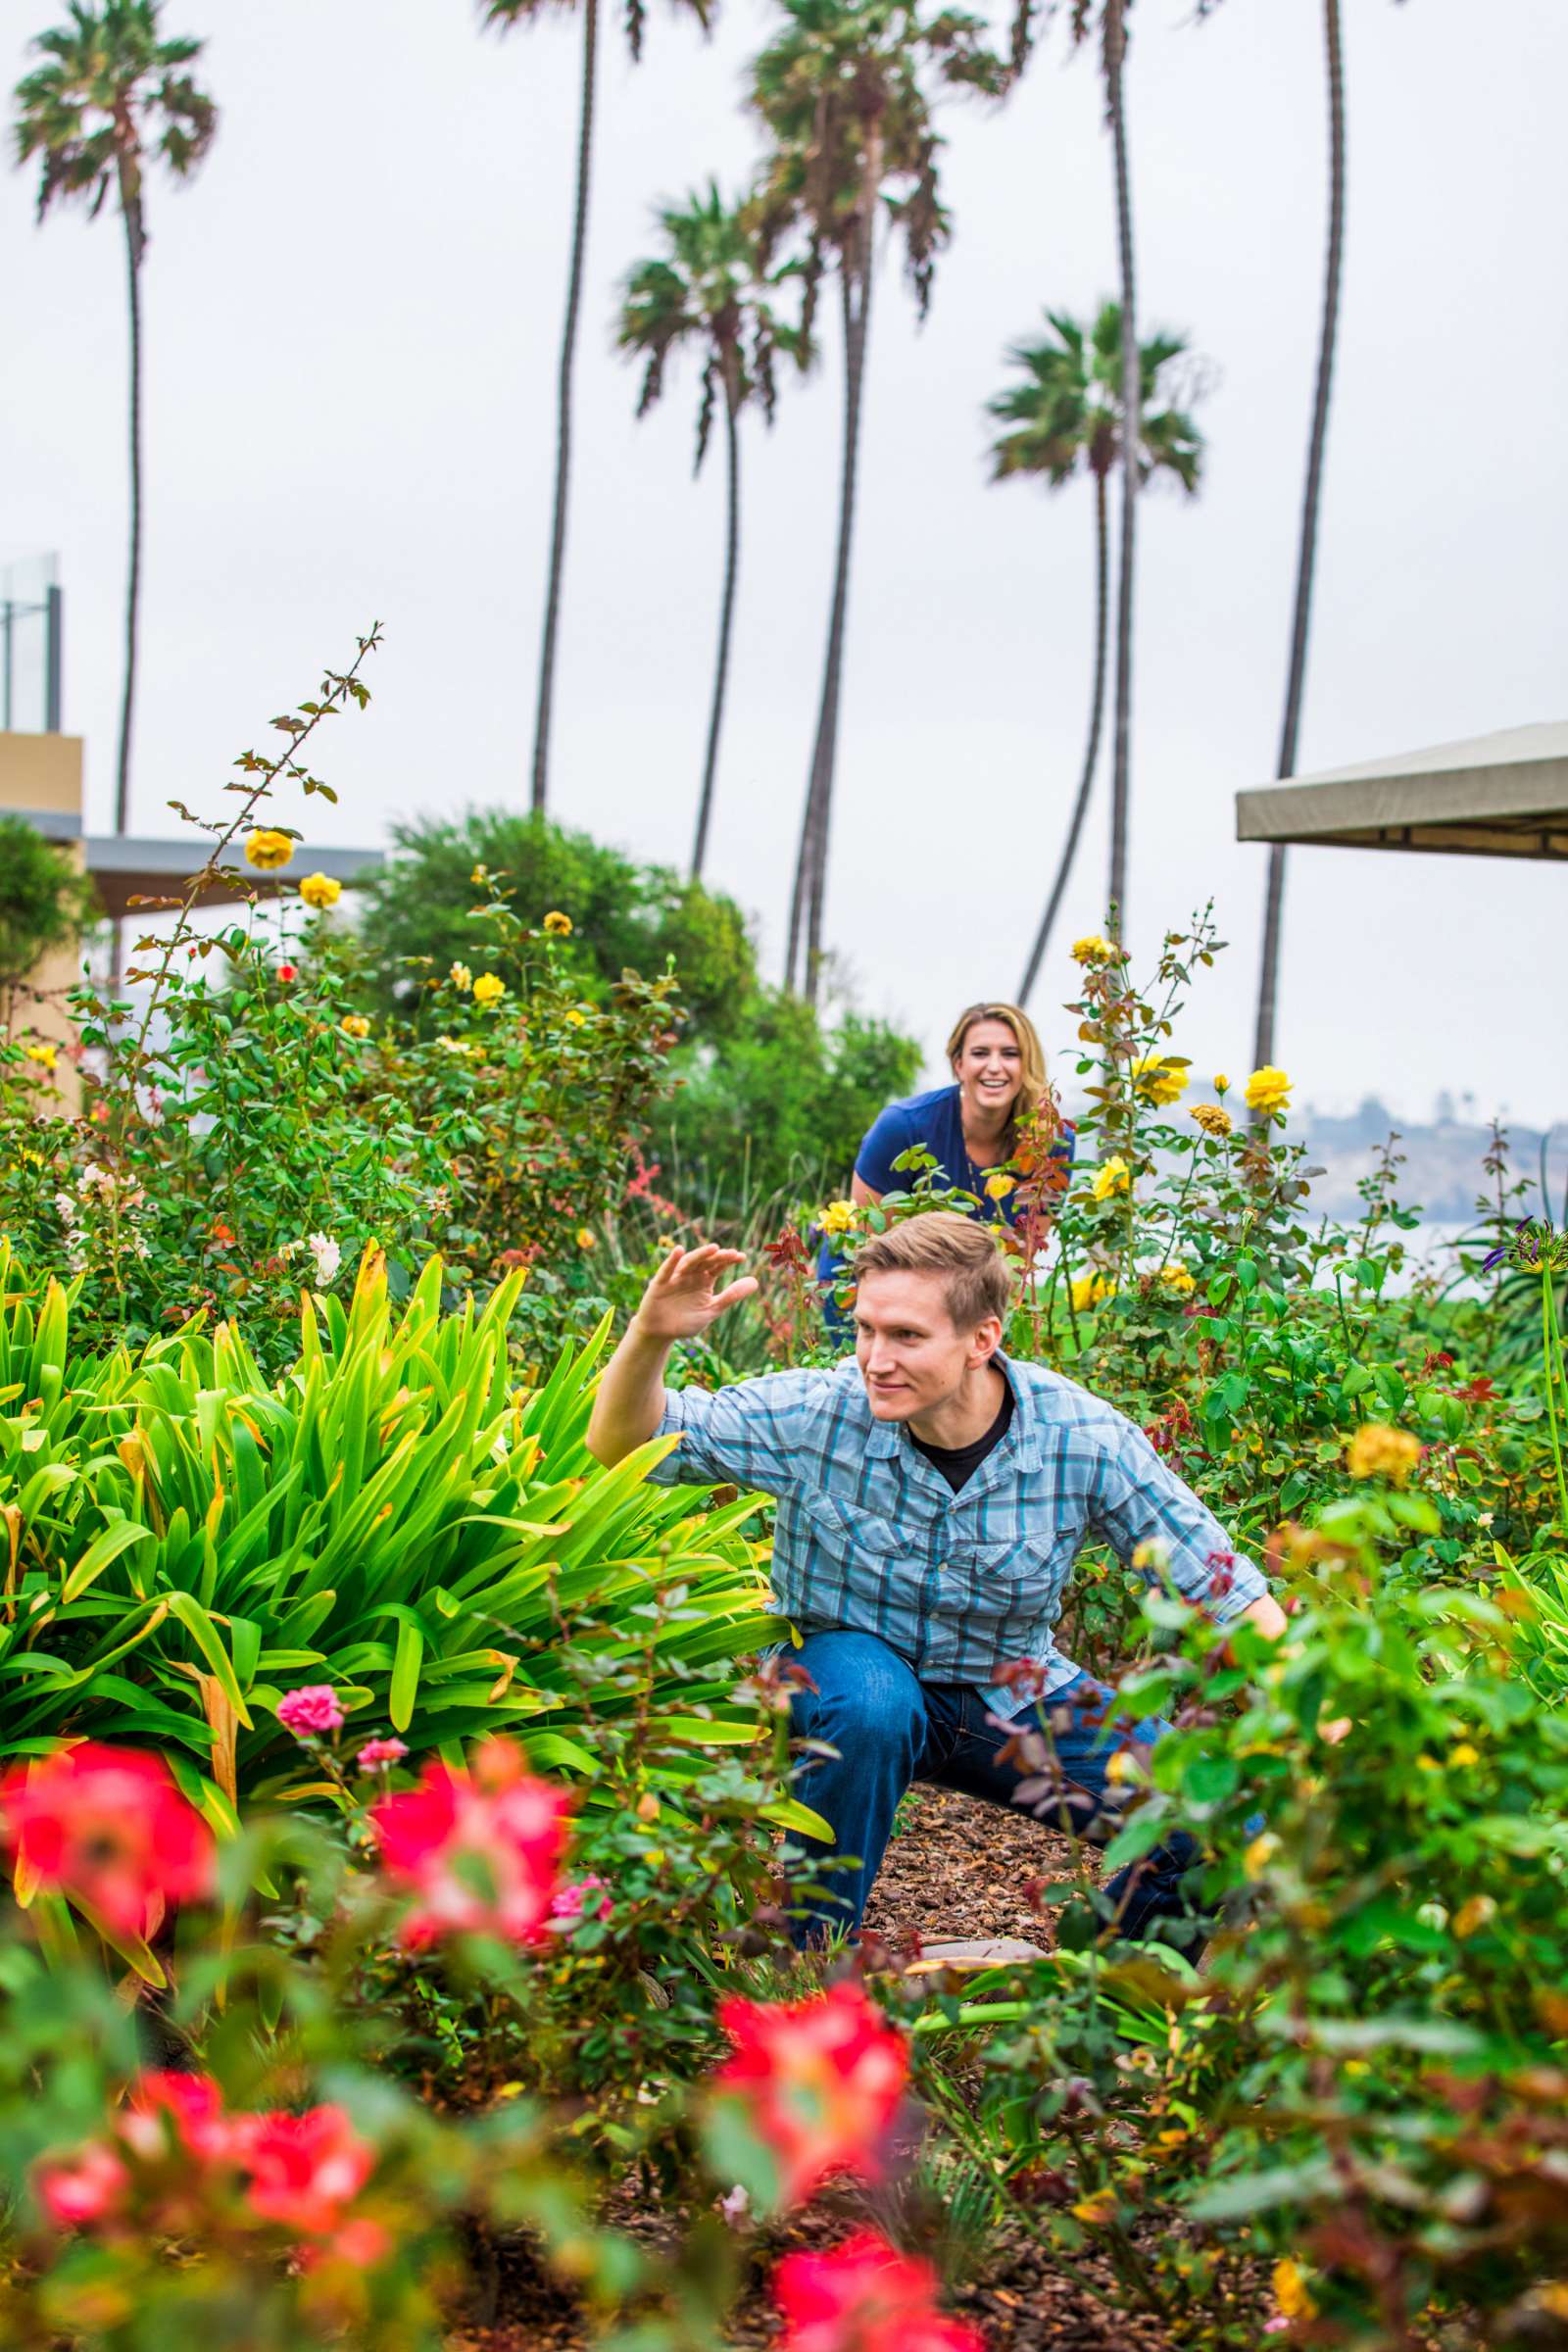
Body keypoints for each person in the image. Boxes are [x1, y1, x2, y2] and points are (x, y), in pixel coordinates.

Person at [587, 1211, 1288, 1947]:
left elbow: (1218, 1584)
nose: (875, 1359)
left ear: (982, 1340)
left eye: (907, 1337)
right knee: (876, 1702)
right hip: (841, 1675)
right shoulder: (816, 1414)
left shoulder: (1081, 1437)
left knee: (1223, 1822)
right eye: (865, 1329)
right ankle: (803, 1970)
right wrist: (651, 1335)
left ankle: (1096, 2000)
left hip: (1007, 1684)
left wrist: (1318, 1701)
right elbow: (626, 1444)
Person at [817, 1000, 1073, 1329]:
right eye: (980, 1053)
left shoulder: (1050, 1141)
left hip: (967, 1299)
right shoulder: (902, 1128)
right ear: (958, 1065)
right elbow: (873, 1250)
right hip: (867, 1287)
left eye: (1010, 1054)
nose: (995, 1066)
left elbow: (1023, 1256)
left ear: (1027, 1064)